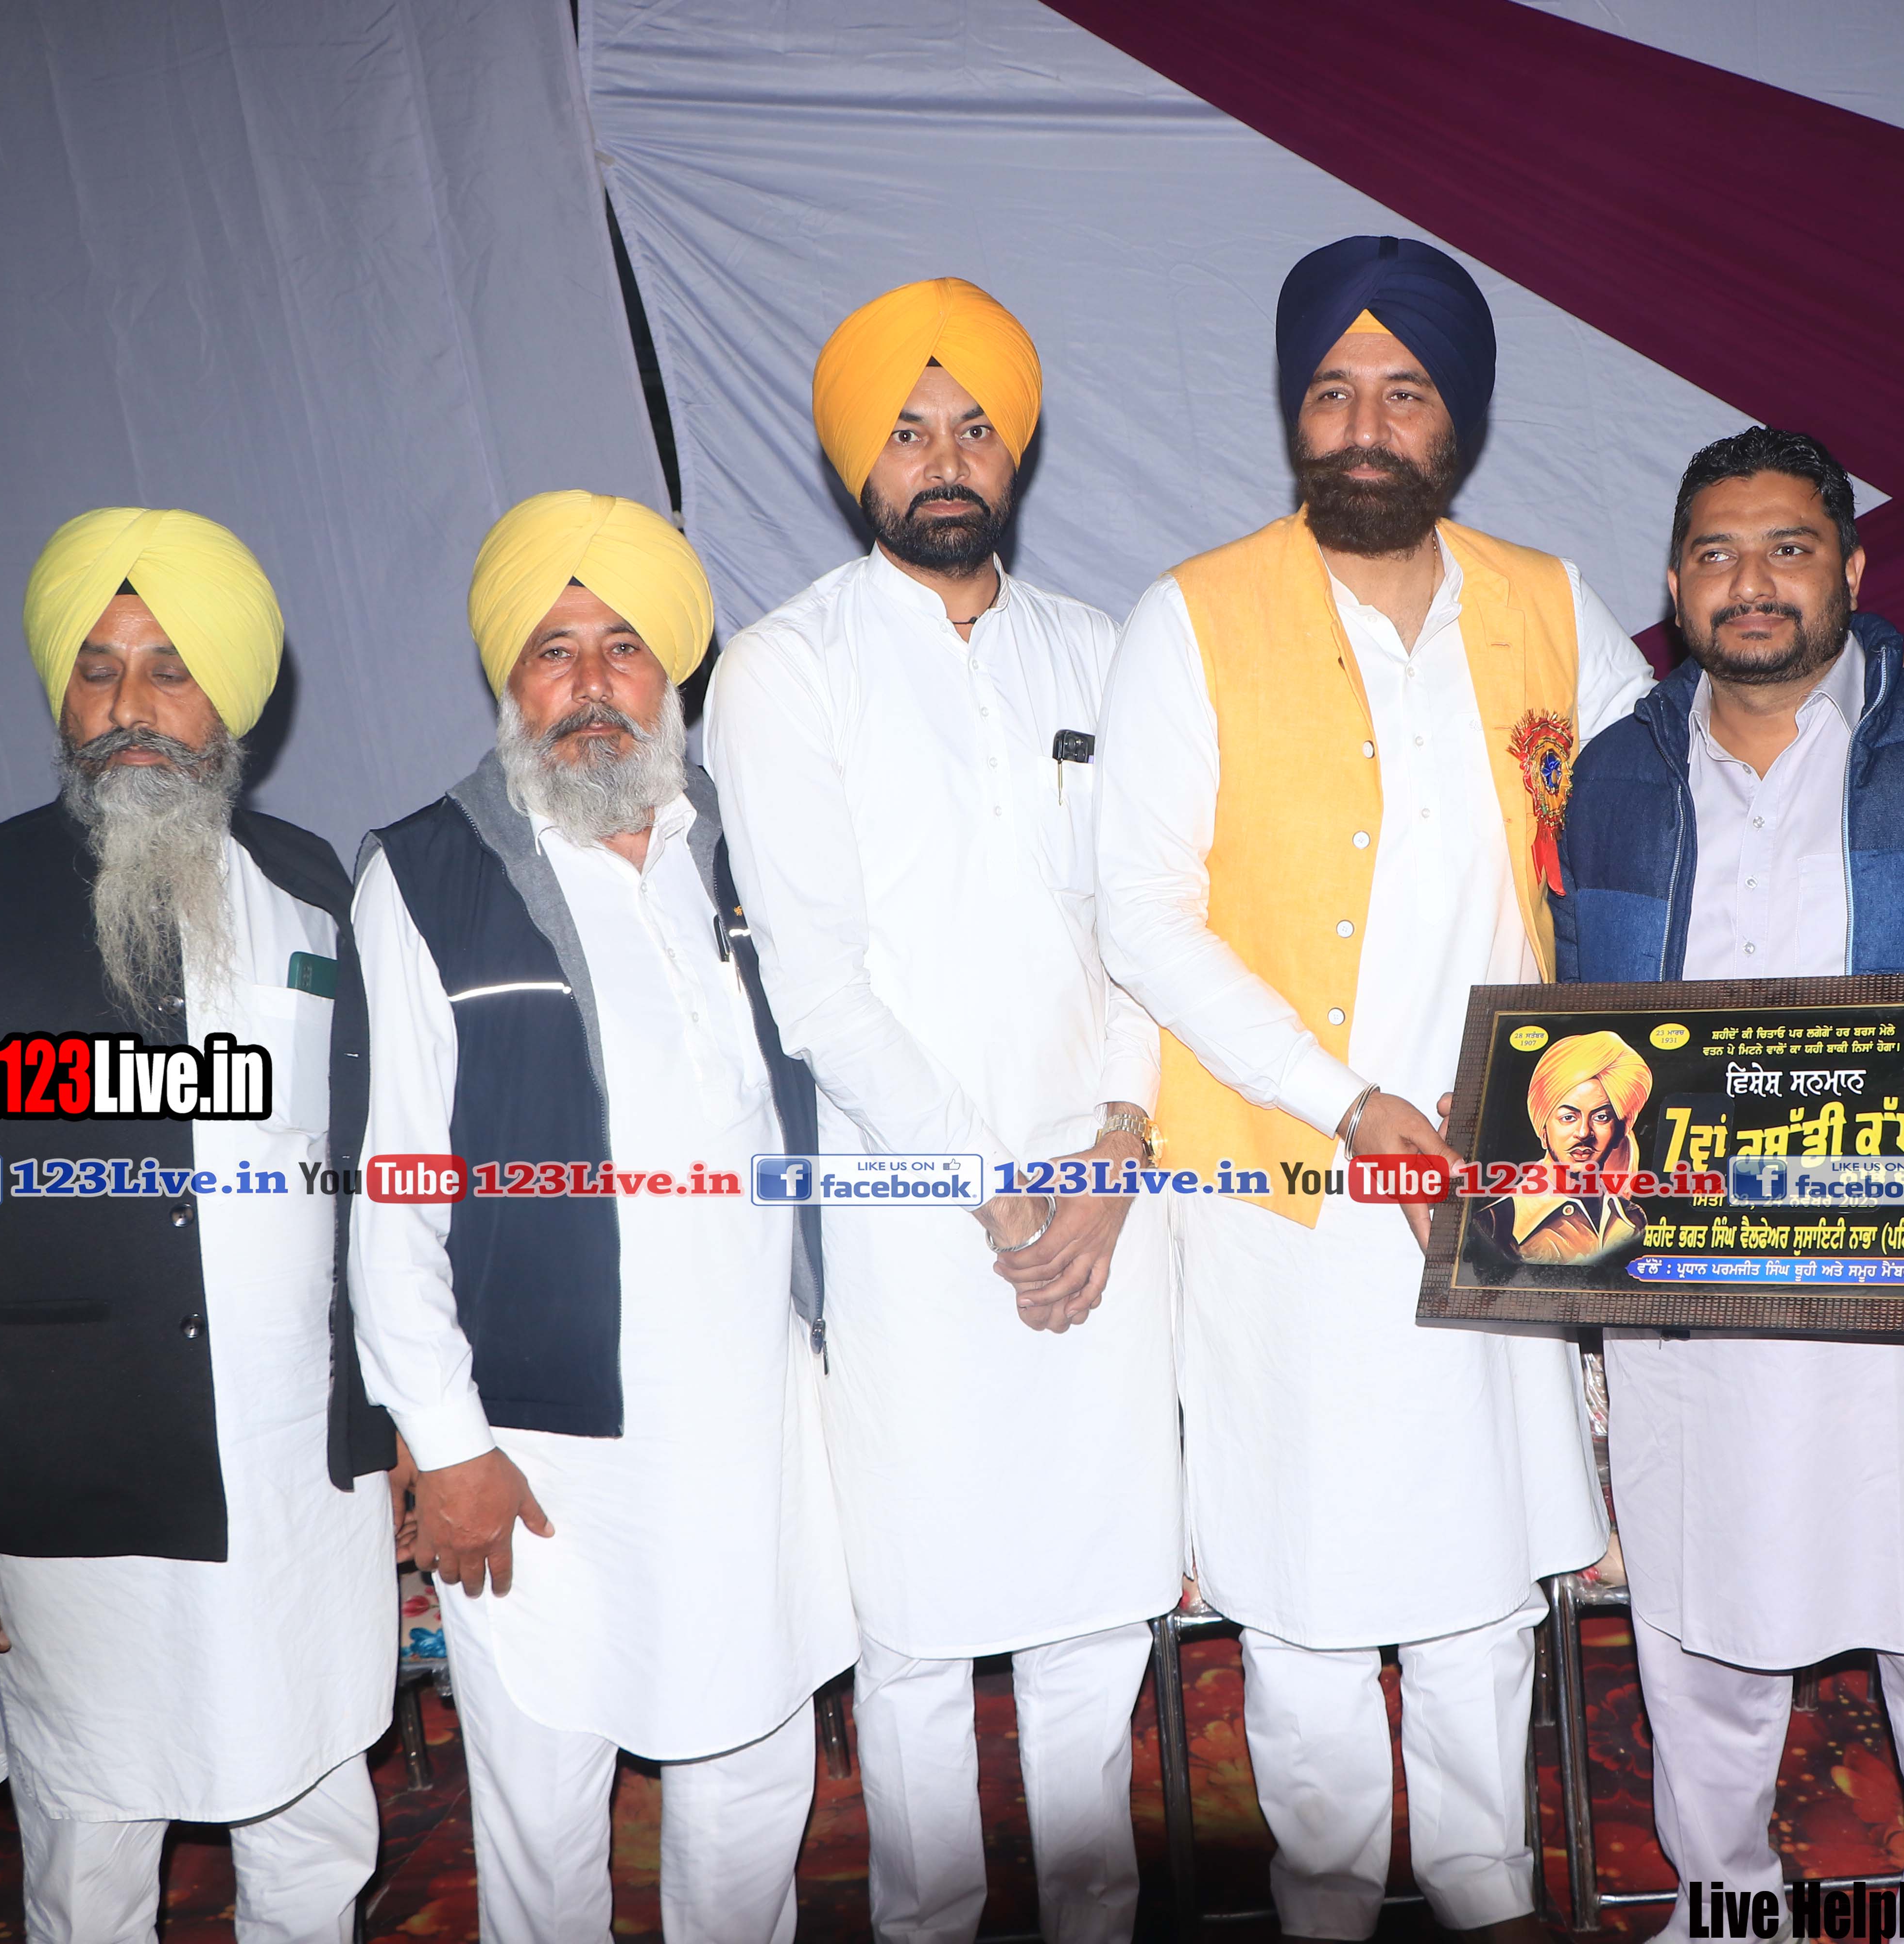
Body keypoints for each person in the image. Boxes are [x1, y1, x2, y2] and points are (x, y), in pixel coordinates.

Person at [1095, 234, 1650, 1942]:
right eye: (1332, 393)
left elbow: (1667, 822)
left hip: (1501, 1172)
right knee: (1305, 1584)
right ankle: (1326, 1897)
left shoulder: (1550, 604)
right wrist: (1338, 1095)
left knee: (1482, 1569)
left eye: (1403, 394)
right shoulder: (1192, 615)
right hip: (1289, 1181)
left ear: (1454, 424)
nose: (1363, 425)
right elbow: (1140, 914)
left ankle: (1486, 1887)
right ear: (1292, 415)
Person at [0, 507, 400, 1943]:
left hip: (301, 1491)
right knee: (92, 1858)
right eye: (97, 671)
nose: (130, 706)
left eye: (171, 669)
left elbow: (359, 1177)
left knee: (318, 1833)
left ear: (232, 704)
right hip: (82, 1498)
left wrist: (391, 1418)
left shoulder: (314, 890)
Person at [1555, 427, 1904, 1901]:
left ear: (1851, 569)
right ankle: (1726, 1903)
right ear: (1672, 580)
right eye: (1717, 552)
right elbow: (1577, 1021)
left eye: (1788, 547)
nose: (1751, 581)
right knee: (1697, 1636)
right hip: (1691, 1288)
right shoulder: (1612, 778)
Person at [706, 278, 1180, 1944]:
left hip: (1109, 1206)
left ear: (1015, 449)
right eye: (907, 432)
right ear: (859, 460)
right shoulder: (785, 669)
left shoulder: (1105, 653)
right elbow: (819, 985)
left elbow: (1150, 935)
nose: (945, 457)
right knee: (915, 1633)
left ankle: (1097, 1919)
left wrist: (1117, 1147)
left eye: (975, 425)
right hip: (915, 1224)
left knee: (1095, 1616)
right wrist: (994, 1187)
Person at [350, 492, 853, 1944]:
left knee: (752, 1776)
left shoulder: (741, 850)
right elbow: (393, 1191)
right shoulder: (425, 875)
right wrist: (446, 1443)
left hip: (758, 1424)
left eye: (623, 646)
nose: (590, 683)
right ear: (509, 679)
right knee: (544, 1803)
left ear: (670, 673)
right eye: (552, 651)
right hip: (542, 1449)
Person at [1465, 1029, 1651, 1267]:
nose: (1584, 1132)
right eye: (1568, 1117)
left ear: (1620, 1133)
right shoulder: (1495, 1225)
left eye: (1602, 1117)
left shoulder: (1632, 1219)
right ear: (1543, 1130)